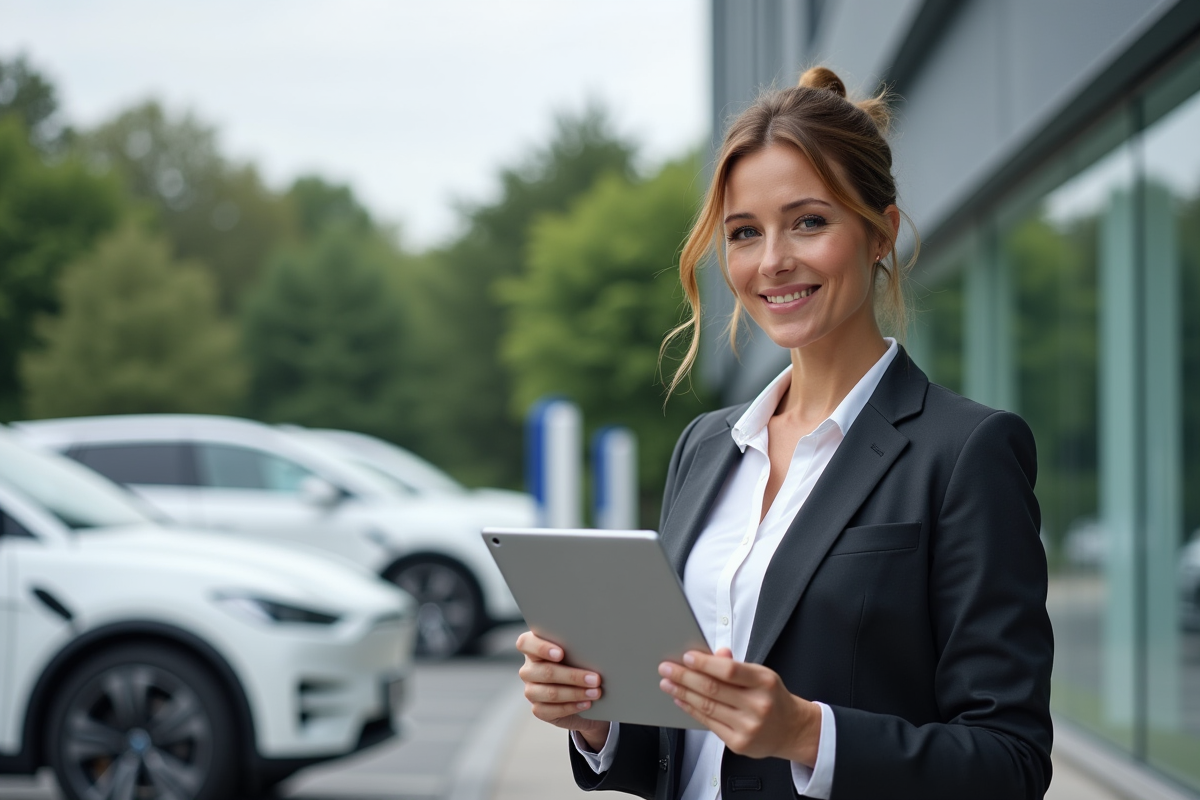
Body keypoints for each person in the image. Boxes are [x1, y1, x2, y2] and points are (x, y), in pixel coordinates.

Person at [516, 66, 1053, 799]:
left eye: (808, 221)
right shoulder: (707, 447)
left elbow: (1010, 764)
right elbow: (689, 748)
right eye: (744, 233)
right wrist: (597, 720)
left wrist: (806, 733)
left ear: (879, 233)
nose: (772, 261)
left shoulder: (966, 453)